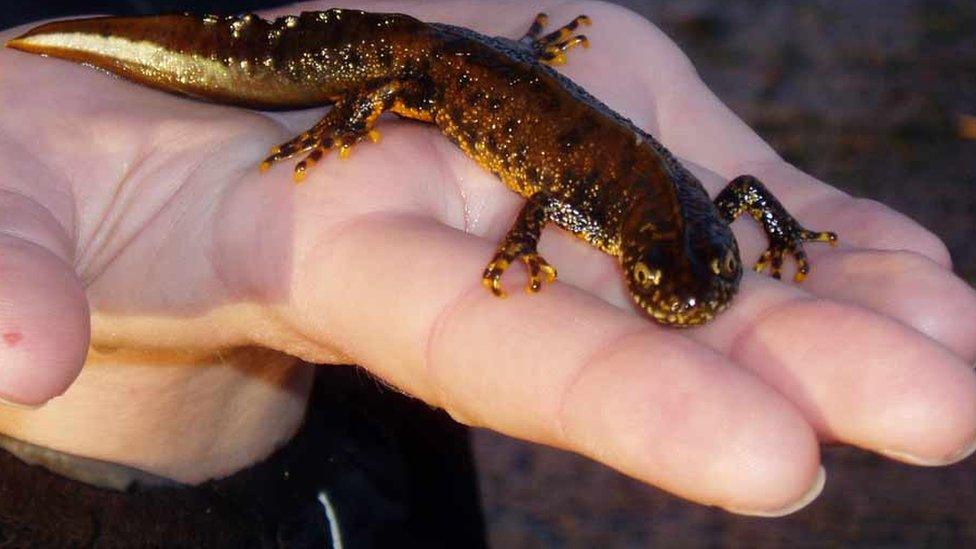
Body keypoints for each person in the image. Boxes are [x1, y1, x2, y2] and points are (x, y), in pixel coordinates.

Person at [0, 0, 974, 545]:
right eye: (661, 281)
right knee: (386, 91)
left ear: (716, 245)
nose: (684, 301)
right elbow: (547, 204)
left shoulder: (684, 216)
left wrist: (784, 232)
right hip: (435, 71)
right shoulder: (610, 211)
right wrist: (510, 247)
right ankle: (349, 112)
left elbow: (742, 191)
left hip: (482, 65)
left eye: (707, 281)